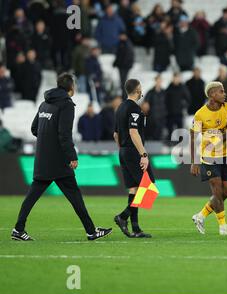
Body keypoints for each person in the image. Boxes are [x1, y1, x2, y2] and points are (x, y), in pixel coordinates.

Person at [11, 73, 112, 241]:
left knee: (32, 196)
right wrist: (72, 156)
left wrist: (47, 141)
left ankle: (18, 229)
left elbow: (35, 129)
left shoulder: (44, 103)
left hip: (43, 158)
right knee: (74, 195)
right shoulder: (66, 105)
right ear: (71, 88)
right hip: (58, 161)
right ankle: (91, 231)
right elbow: (64, 134)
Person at [190, 82, 227, 236]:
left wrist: (221, 135)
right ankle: (223, 227)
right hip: (209, 157)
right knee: (217, 192)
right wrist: (194, 161)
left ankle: (201, 215)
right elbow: (192, 137)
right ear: (212, 95)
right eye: (221, 91)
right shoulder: (200, 114)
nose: (225, 94)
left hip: (226, 155)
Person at [113, 79, 153, 238]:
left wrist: (122, 149)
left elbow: (115, 134)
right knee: (149, 188)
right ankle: (123, 217)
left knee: (134, 188)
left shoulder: (120, 108)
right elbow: (133, 132)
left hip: (123, 150)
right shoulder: (134, 109)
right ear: (138, 90)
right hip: (133, 151)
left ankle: (136, 228)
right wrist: (143, 154)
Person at [113, 32, 135, 98]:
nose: (120, 37)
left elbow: (129, 56)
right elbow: (118, 55)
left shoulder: (127, 44)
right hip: (121, 66)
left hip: (125, 66)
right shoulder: (120, 43)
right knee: (122, 81)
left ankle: (125, 96)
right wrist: (115, 63)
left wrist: (125, 64)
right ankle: (124, 95)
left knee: (124, 81)